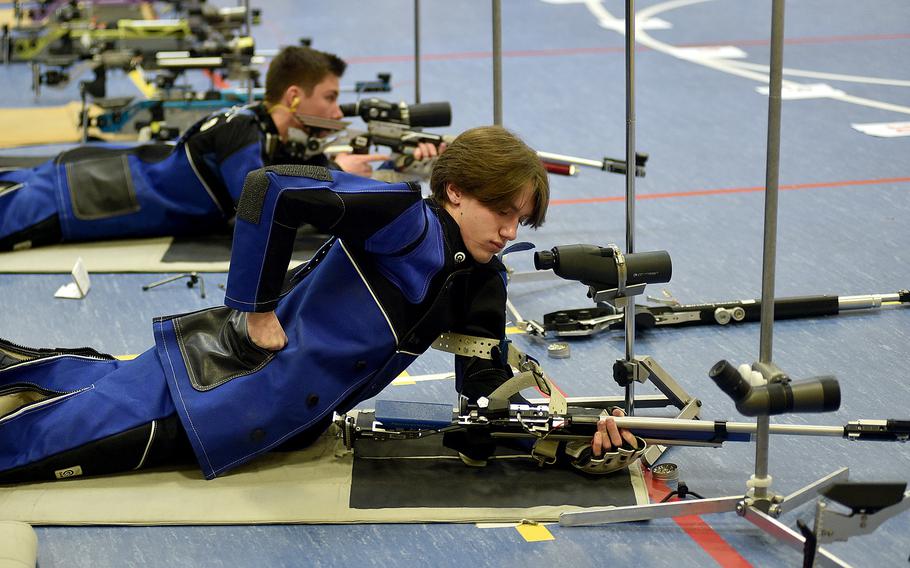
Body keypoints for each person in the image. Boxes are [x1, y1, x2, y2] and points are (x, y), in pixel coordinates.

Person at [0, 125, 638, 483]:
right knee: (29, 449)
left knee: (56, 384)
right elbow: (268, 189)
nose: (507, 231)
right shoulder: (402, 220)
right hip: (210, 388)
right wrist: (256, 308)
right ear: (453, 192)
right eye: (501, 211)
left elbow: (482, 401)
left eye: (520, 221)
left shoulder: (481, 282)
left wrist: (574, 434)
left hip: (253, 414)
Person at [0, 45, 433, 251]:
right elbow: (258, 201)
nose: (337, 110)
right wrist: (337, 172)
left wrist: (374, 164)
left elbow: (284, 168)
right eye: (330, 98)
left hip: (87, 183)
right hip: (73, 201)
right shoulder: (242, 134)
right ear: (296, 97)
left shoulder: (255, 123)